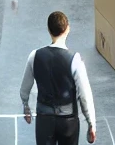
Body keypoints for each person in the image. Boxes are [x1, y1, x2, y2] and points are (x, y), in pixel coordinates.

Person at [20, 11, 97, 145]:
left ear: (49, 30)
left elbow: (24, 89)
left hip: (44, 120)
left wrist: (26, 106)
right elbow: (84, 95)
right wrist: (91, 124)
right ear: (67, 29)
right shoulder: (75, 60)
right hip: (68, 122)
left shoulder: (35, 56)